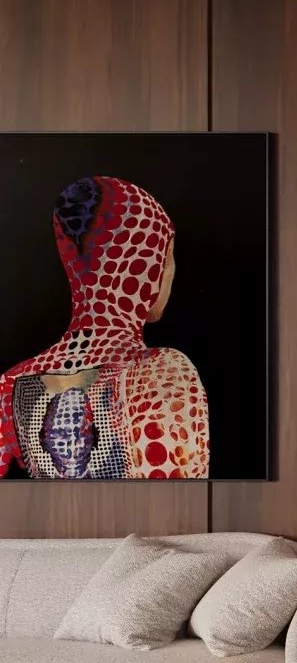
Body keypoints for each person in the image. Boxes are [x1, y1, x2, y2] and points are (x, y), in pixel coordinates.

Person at [0, 175, 208, 480]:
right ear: (144, 266)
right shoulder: (164, 371)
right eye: (167, 258)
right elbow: (179, 494)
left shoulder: (12, 382)